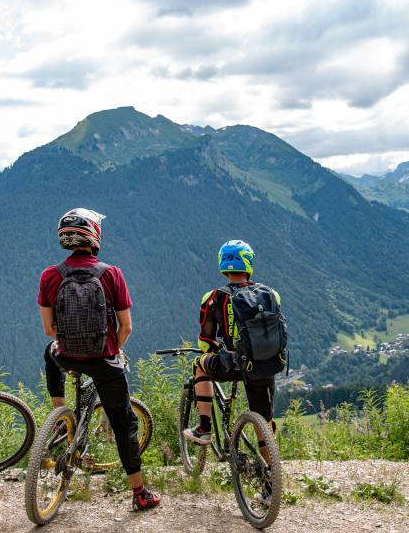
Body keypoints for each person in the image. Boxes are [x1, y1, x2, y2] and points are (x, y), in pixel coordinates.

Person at [37, 208, 160, 512]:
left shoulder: (50, 275)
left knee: (49, 353)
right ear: (94, 235)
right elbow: (126, 327)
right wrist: (113, 350)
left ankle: (61, 417)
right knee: (124, 424)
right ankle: (139, 493)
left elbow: (49, 330)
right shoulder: (111, 274)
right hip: (104, 361)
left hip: (65, 356)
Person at [183, 240, 281, 501]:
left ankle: (204, 427)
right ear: (248, 263)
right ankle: (272, 483)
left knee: (199, 365)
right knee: (265, 422)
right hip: (263, 366)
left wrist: (216, 348)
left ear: (222, 264)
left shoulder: (213, 298)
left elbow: (205, 341)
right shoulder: (270, 294)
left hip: (232, 365)